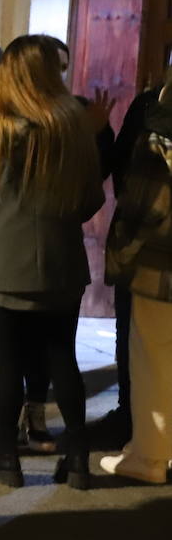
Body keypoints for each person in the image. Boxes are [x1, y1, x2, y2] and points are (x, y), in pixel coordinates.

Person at [0, 35, 105, 490]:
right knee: (61, 354)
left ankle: (6, 456)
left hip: (4, 256)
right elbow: (90, 198)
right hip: (62, 256)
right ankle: (78, 457)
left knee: (9, 358)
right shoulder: (73, 125)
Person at [101, 68, 172, 484]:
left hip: (160, 263)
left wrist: (125, 243)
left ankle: (148, 455)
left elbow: (142, 197)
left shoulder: (160, 119)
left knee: (152, 358)